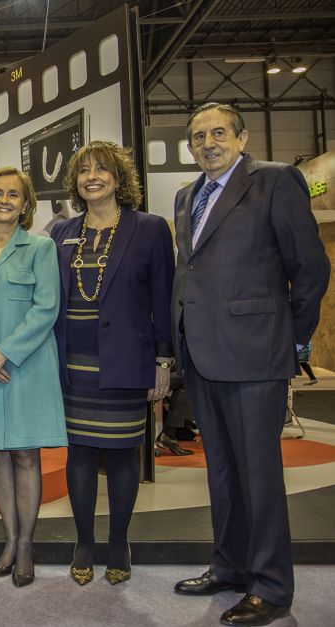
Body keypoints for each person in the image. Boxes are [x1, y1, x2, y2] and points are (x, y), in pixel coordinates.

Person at [171, 103, 329, 625]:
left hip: (255, 355)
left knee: (259, 476)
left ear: (242, 138)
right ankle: (231, 565)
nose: (207, 142)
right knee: (221, 473)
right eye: (198, 136)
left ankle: (271, 585)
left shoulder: (278, 182)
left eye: (218, 133)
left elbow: (310, 269)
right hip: (202, 355)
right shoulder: (186, 196)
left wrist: (292, 340)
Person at [50, 141, 174, 587]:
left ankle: (119, 541)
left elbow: (164, 298)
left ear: (119, 178)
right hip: (73, 366)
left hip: (125, 361)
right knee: (79, 453)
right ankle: (84, 541)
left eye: (102, 169)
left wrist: (164, 360)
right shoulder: (61, 232)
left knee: (124, 455)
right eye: (83, 171)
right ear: (75, 182)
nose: (92, 177)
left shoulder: (151, 228)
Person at [0, 167, 66, 588]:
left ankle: (25, 546)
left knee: (24, 455)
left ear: (25, 204)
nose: (4, 200)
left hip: (25, 368)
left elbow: (46, 309)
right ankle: (8, 539)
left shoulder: (40, 247)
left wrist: (3, 353)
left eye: (13, 195)